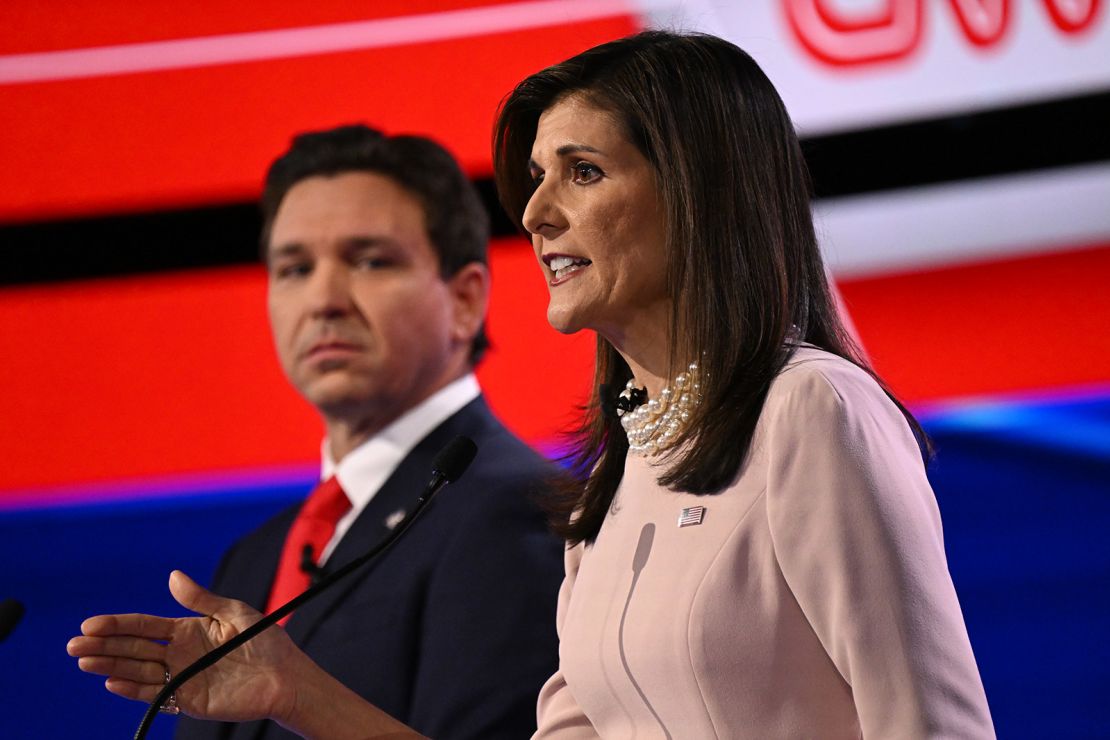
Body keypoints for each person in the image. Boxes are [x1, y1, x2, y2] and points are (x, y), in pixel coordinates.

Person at [69, 32, 995, 738]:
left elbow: (936, 724)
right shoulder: (614, 478)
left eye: (582, 173)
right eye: (537, 178)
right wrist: (294, 692)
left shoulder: (810, 411)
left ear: (699, 191)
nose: (536, 211)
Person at [72, 124, 565, 740]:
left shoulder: (518, 512)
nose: (323, 299)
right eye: (295, 267)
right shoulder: (252, 558)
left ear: (465, 300)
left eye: (370, 260)